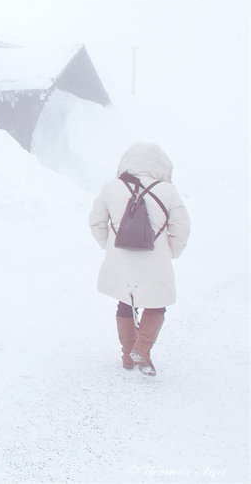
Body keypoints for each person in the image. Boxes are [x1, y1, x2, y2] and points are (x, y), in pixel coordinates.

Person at [88, 142, 191, 376]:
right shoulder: (168, 191)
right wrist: (172, 251)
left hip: (119, 256)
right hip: (155, 258)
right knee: (157, 303)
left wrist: (108, 245)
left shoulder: (111, 187)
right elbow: (182, 227)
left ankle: (127, 355)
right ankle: (142, 348)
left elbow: (96, 221)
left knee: (125, 301)